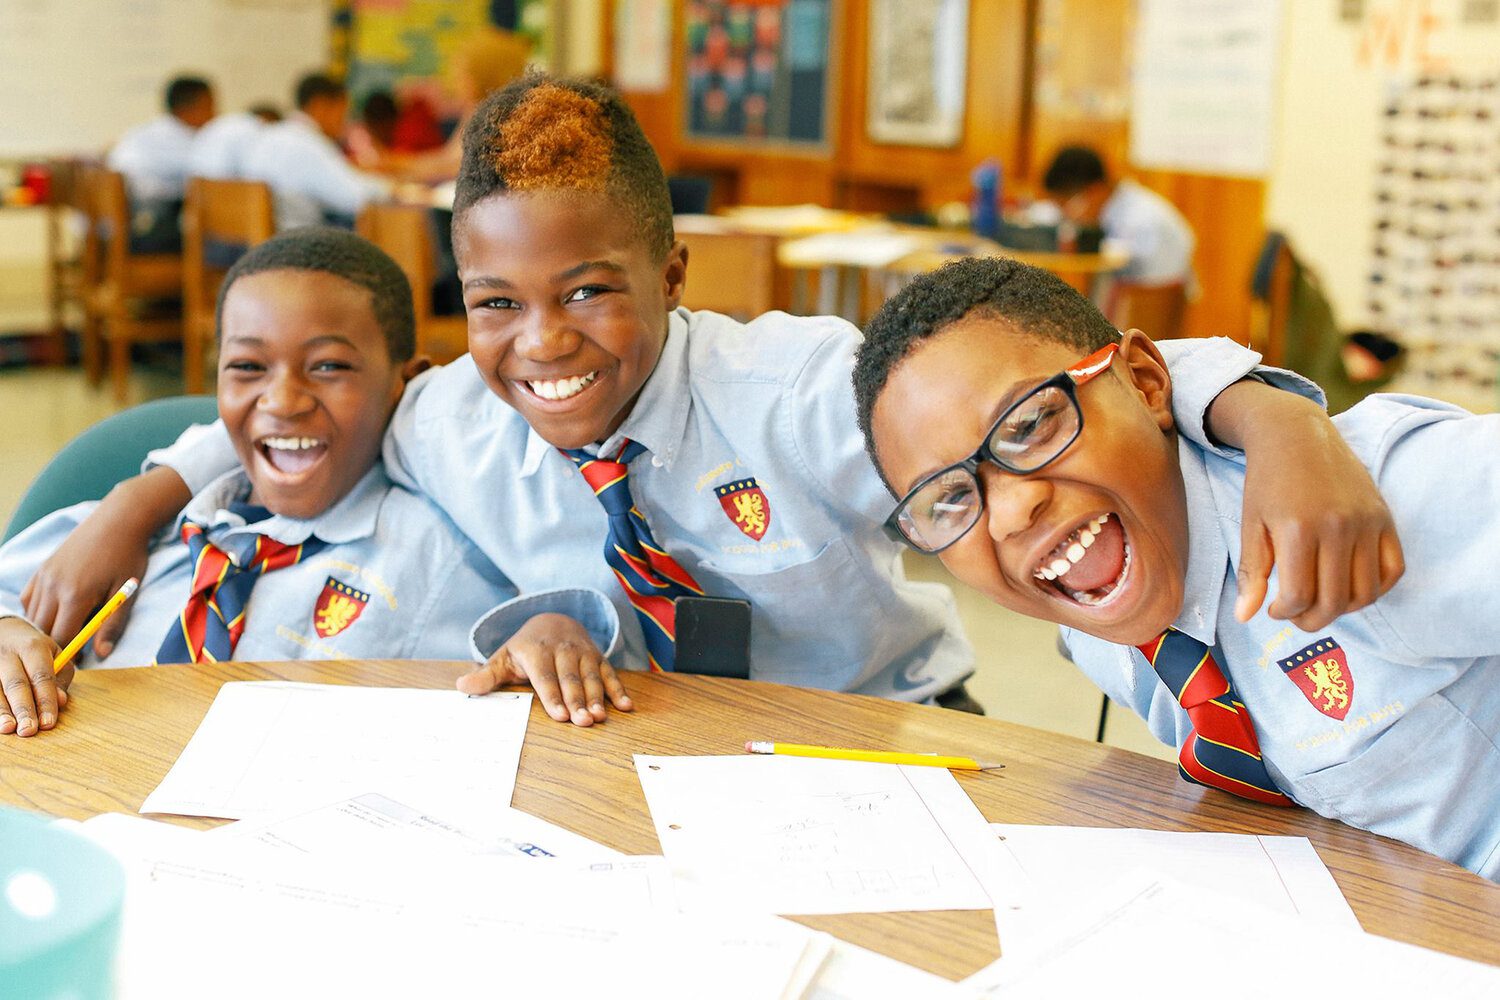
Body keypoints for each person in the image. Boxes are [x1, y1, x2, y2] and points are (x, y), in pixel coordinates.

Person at [26, 75, 1401, 732]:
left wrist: (1276, 415)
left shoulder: (801, 392)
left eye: (590, 291)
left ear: (674, 274)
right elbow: (284, 414)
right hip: (640, 742)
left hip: (896, 733)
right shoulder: (449, 418)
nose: (542, 345)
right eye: (496, 303)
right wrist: (135, 505)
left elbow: (1065, 396)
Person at [852, 256, 1500, 879]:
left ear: (1147, 384)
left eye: (1031, 424)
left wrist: (1277, 418)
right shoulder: (1092, 619)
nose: (1012, 513)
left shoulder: (1363, 499)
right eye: (949, 499)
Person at [0, 228, 610, 738]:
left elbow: (544, 634)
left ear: (406, 384)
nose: (283, 401)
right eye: (247, 367)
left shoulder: (444, 548)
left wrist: (550, 633)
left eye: (329, 366)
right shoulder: (136, 533)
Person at [243, 73, 391, 230]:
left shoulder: (273, 135)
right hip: (302, 238)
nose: (344, 122)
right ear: (320, 106)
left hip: (270, 239)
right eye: (343, 112)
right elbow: (355, 198)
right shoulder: (307, 142)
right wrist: (390, 188)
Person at [1043, 146, 1195, 288]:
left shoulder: (1138, 219)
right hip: (1149, 298)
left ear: (1095, 191)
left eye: (1066, 205)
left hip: (1140, 300)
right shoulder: (1126, 205)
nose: (1067, 215)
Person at [106, 75, 216, 252]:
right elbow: (207, 178)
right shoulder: (181, 141)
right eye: (211, 106)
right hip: (143, 231)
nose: (215, 115)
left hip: (114, 232)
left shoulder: (144, 132)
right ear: (193, 107)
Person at [189, 103, 282, 181]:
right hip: (227, 187)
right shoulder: (255, 130)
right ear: (266, 119)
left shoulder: (225, 121)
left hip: (196, 187)